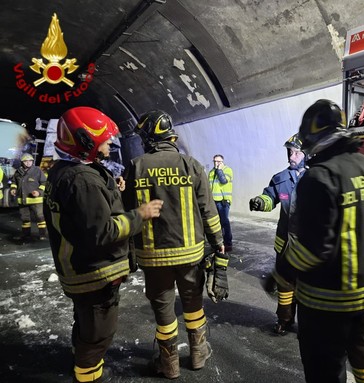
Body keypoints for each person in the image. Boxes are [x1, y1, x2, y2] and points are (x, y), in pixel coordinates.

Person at [272, 99, 364, 383]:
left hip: (327, 299)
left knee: (324, 367)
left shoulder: (318, 177)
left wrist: (282, 272)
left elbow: (314, 248)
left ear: (313, 136)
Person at [43, 106, 164, 383]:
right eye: (106, 140)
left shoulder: (68, 170)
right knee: (98, 332)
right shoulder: (83, 181)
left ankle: (82, 359)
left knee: (85, 323)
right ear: (86, 142)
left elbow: (88, 213)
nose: (110, 143)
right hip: (94, 273)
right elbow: (103, 231)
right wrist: (140, 215)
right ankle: (88, 375)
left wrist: (111, 190)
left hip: (77, 269)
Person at [123, 110, 227, 379]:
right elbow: (208, 211)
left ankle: (168, 365)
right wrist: (219, 244)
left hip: (154, 257)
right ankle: (198, 354)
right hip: (191, 255)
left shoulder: (136, 166)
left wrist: (130, 252)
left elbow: (129, 213)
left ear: (149, 137)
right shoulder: (190, 165)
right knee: (193, 304)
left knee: (164, 308)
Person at [249, 134, 306, 334]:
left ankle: (308, 325)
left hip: (308, 246)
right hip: (285, 244)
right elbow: (270, 198)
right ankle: (285, 319)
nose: (292, 155)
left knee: (306, 287)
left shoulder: (316, 178)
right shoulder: (280, 178)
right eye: (290, 151)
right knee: (285, 284)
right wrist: (260, 202)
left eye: (297, 151)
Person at [10, 152, 47, 241]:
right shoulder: (18, 171)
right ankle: (26, 235)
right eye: (26, 161)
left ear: (32, 162)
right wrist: (13, 188)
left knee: (40, 217)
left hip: (36, 200)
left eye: (30, 161)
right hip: (22, 200)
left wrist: (39, 192)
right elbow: (14, 182)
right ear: (22, 162)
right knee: (25, 218)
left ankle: (43, 235)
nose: (28, 163)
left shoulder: (37, 171)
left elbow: (45, 183)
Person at [208, 154, 233, 251]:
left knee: (224, 222)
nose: (216, 163)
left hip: (223, 201)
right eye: (215, 161)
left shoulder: (227, 170)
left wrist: (219, 170)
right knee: (215, 223)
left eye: (219, 161)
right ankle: (218, 243)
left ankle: (228, 243)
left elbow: (223, 181)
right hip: (213, 201)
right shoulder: (211, 172)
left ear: (223, 162)